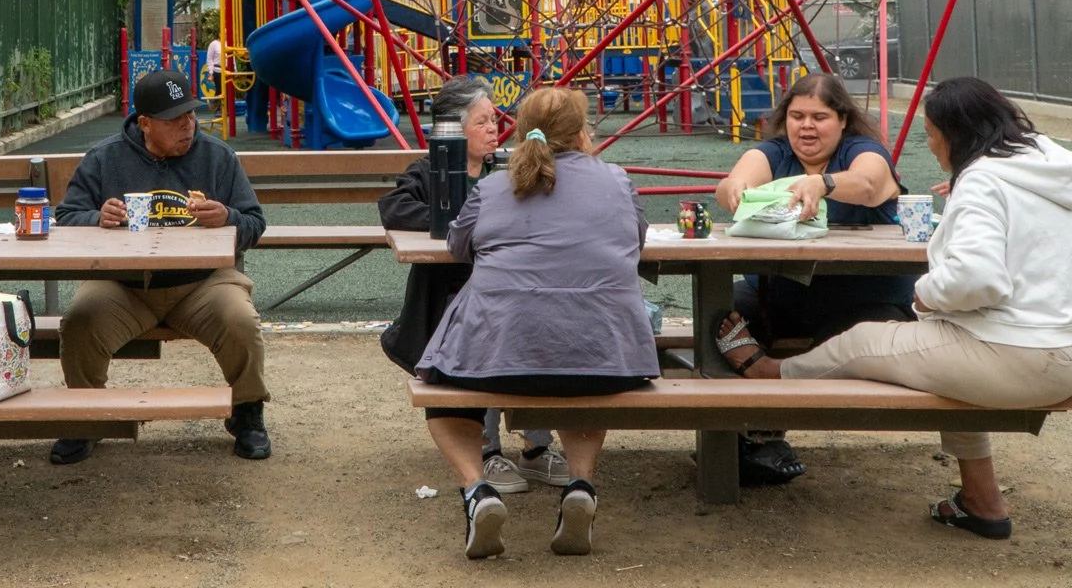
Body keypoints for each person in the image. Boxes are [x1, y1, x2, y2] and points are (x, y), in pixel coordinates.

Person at [715, 76, 1072, 539]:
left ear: (957, 133)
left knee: (866, 338)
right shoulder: (1046, 171)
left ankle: (769, 374)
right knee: (954, 354)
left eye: (931, 135)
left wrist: (927, 294)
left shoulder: (982, 182)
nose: (929, 146)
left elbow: (975, 279)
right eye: (798, 116)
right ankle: (981, 503)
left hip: (1031, 357)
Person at [415, 87, 659, 560]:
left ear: (520, 130)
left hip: (499, 355)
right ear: (583, 132)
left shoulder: (492, 187)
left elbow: (457, 247)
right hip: (608, 357)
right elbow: (637, 237)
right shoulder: (616, 180)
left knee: (439, 391)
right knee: (584, 378)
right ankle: (581, 483)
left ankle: (477, 490)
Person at [49, 68, 270, 464]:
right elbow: (67, 217)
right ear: (146, 123)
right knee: (81, 319)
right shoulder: (104, 158)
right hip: (125, 285)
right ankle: (85, 415)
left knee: (241, 321)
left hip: (203, 283)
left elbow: (255, 223)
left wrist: (230, 217)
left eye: (190, 114)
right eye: (175, 119)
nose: (188, 126)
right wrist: (97, 218)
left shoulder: (218, 156)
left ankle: (248, 413)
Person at [711, 71, 910, 485]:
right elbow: (739, 177)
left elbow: (871, 185)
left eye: (818, 117)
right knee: (717, 314)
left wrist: (823, 183)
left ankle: (769, 427)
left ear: (841, 119)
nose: (806, 126)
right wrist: (733, 188)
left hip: (861, 300)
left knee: (865, 340)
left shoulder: (863, 150)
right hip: (778, 296)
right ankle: (737, 442)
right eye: (797, 116)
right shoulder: (775, 151)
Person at [379, 75, 569, 495]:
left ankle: (537, 447)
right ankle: (487, 450)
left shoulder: (507, 167)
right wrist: (456, 221)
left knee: (538, 320)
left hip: (511, 287)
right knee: (480, 323)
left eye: (493, 121)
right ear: (454, 130)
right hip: (453, 292)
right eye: (482, 122)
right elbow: (394, 209)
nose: (493, 130)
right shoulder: (429, 171)